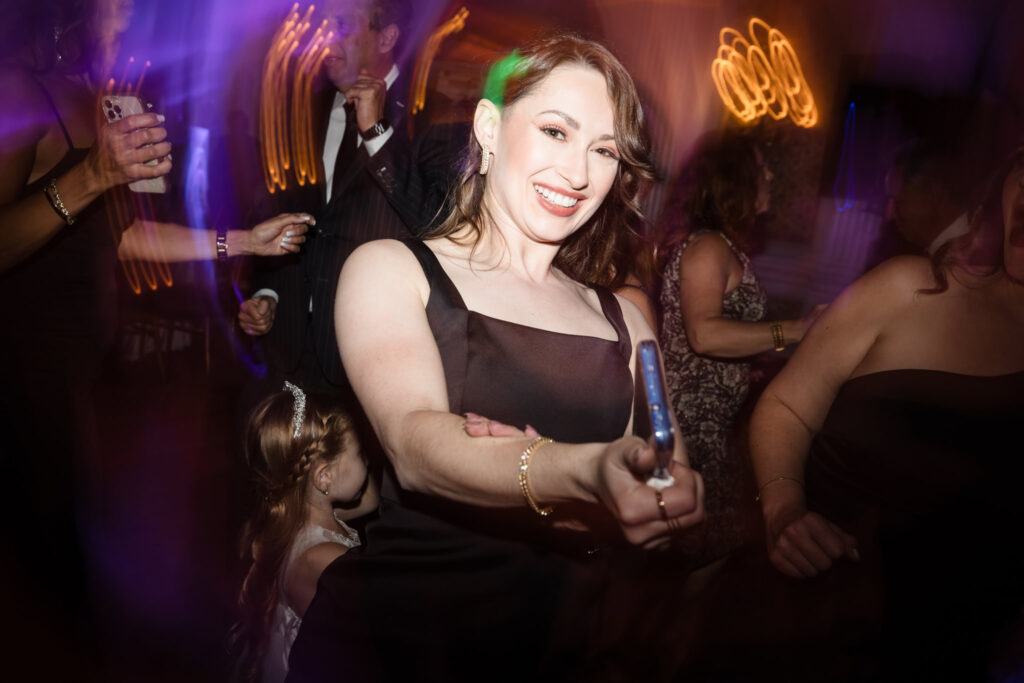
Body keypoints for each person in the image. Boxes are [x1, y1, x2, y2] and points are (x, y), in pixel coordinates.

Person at [285, 34, 705, 682]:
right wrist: (577, 469)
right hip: (404, 645)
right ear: (488, 126)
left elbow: (665, 487)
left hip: (566, 650)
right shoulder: (392, 270)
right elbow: (415, 444)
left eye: (604, 150)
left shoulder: (627, 319)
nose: (578, 174)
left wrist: (665, 492)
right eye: (556, 131)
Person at [0, 0, 309, 642]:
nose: (140, 18)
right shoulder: (18, 90)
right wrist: (90, 177)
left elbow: (125, 239)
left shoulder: (101, 98)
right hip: (17, 361)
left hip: (75, 367)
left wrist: (246, 242)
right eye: (124, 6)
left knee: (70, 552)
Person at [749, 142, 1024, 679]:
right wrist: (784, 510)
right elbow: (785, 404)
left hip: (960, 649)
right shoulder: (909, 288)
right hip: (820, 626)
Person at [237, 0, 465, 396]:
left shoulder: (434, 116)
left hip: (368, 355)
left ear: (386, 37)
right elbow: (274, 213)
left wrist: (377, 133)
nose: (323, 37)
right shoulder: (301, 111)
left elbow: (434, 222)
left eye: (340, 24)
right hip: (285, 341)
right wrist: (266, 293)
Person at [657, 130, 824, 566]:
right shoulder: (708, 246)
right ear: (736, 179)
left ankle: (666, 630)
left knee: (700, 553)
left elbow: (718, 337)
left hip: (712, 422)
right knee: (709, 549)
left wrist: (744, 367)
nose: (769, 174)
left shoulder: (723, 247)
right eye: (760, 167)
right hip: (692, 425)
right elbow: (704, 334)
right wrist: (794, 330)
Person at [230, 383, 378, 683]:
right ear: (324, 477)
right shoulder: (327, 561)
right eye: (361, 451)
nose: (368, 458)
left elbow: (370, 500)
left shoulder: (291, 515)